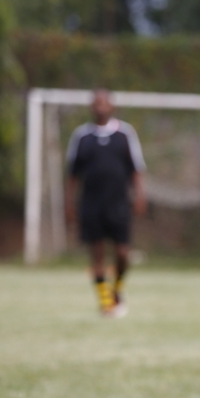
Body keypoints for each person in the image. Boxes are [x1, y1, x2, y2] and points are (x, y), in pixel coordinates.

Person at [65, 89, 147, 318]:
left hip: (118, 203)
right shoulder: (81, 136)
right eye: (96, 103)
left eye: (104, 103)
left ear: (111, 107)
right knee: (97, 254)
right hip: (91, 204)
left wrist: (140, 196)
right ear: (92, 107)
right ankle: (106, 303)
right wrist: (69, 204)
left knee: (122, 253)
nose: (100, 107)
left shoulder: (125, 134)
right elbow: (72, 175)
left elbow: (137, 169)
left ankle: (117, 289)